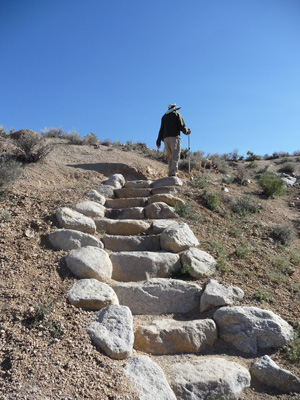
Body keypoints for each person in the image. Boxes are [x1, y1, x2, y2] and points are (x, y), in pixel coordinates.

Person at [156, 103, 191, 177]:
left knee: (170, 156)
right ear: (175, 109)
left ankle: (170, 173)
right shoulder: (177, 115)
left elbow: (161, 129)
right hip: (174, 137)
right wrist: (187, 132)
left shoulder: (164, 117)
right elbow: (182, 126)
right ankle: (173, 173)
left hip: (165, 139)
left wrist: (158, 140)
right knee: (175, 155)